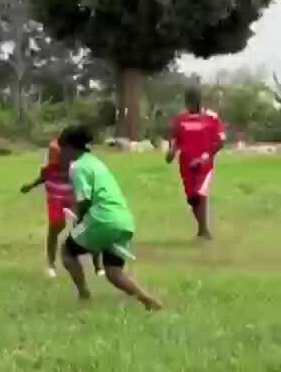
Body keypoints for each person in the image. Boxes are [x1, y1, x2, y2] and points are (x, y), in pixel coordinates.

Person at [57, 125, 161, 310]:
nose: (60, 155)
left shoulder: (78, 167)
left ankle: (84, 295)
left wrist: (78, 222)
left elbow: (84, 199)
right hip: (123, 220)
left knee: (67, 251)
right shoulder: (96, 162)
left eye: (61, 150)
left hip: (101, 218)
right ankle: (149, 301)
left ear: (70, 149)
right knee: (113, 272)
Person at [21, 139, 103, 278]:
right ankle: (51, 264)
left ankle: (98, 266)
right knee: (55, 228)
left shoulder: (76, 168)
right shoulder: (48, 169)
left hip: (73, 199)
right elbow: (41, 178)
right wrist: (30, 186)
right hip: (55, 200)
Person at [166, 87, 226, 240]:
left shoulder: (211, 117)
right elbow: (175, 139)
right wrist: (171, 151)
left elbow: (220, 141)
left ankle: (204, 230)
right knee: (191, 198)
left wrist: (206, 156)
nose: (189, 106)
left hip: (204, 165)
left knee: (200, 194)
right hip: (185, 164)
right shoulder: (180, 118)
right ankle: (202, 229)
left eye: (191, 102)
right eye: (187, 103)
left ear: (199, 102)